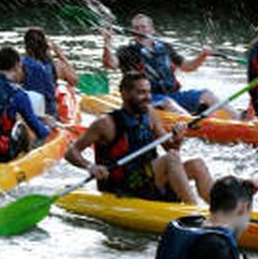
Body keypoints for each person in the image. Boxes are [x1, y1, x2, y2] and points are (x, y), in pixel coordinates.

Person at [65, 73, 212, 204]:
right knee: (171, 158)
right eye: (141, 92)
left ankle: (218, 211)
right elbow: (71, 152)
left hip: (148, 179)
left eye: (148, 92)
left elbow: (170, 148)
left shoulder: (150, 113)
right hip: (122, 186)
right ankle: (195, 213)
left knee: (197, 165)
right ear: (124, 94)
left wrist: (178, 139)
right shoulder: (105, 123)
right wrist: (91, 167)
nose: (147, 97)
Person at [101, 13, 226, 116]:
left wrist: (202, 56)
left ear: (152, 30)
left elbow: (188, 67)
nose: (140, 31)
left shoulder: (165, 47)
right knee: (167, 102)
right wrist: (107, 43)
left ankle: (236, 120)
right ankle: (192, 124)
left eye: (143, 27)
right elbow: (110, 64)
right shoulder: (127, 51)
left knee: (207, 94)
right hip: (146, 99)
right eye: (136, 28)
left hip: (172, 95)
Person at [21, 27, 78, 119]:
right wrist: (60, 54)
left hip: (29, 111)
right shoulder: (56, 65)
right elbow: (74, 81)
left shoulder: (20, 64)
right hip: (50, 113)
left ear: (26, 46)